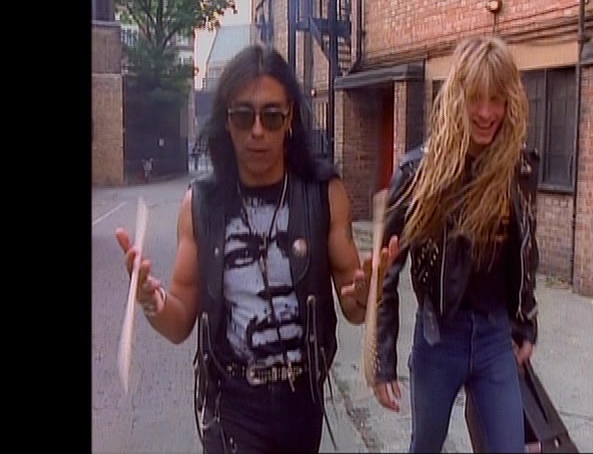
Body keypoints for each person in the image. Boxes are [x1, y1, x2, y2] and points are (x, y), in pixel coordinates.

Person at [115, 44, 398, 454]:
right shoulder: (201, 205)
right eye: (244, 116)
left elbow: (353, 309)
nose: (258, 131)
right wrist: (149, 300)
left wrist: (368, 295)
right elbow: (177, 324)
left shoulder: (323, 194)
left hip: (303, 402)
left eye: (272, 116)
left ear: (290, 119)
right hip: (232, 405)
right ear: (227, 122)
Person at [372, 36, 541, 453]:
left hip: (495, 338)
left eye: (496, 99)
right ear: (456, 99)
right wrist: (382, 358)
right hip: (438, 338)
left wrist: (525, 322)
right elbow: (385, 271)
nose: (485, 113)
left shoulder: (516, 169)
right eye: (475, 99)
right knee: (426, 445)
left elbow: (525, 252)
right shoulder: (419, 172)